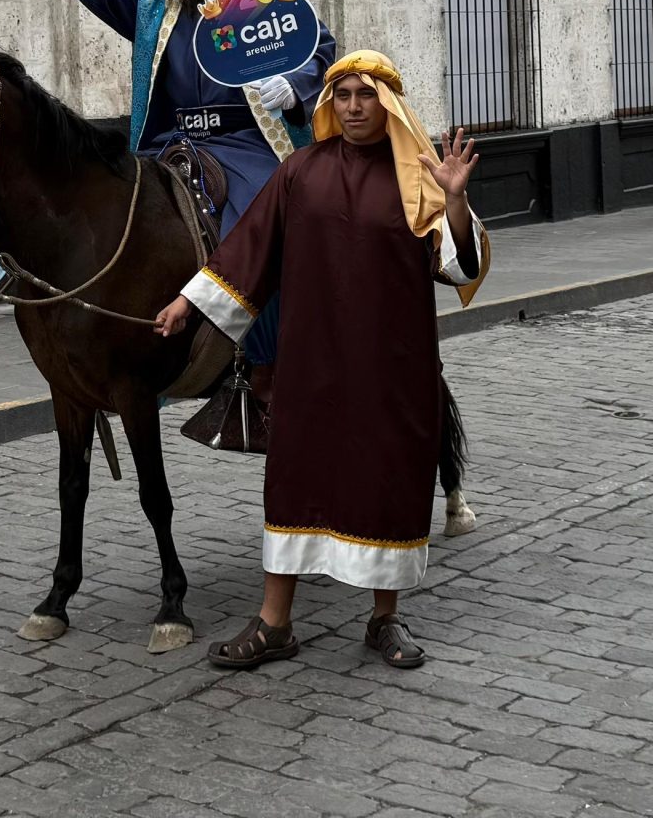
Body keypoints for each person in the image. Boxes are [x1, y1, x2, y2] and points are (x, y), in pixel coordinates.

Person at [152, 51, 489, 671]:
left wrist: (457, 202)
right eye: (344, 96)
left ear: (387, 104)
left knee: (389, 479)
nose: (355, 106)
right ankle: (273, 623)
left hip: (392, 365)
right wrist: (186, 304)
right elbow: (247, 249)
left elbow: (459, 268)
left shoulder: (420, 179)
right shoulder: (299, 172)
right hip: (309, 363)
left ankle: (385, 618)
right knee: (296, 480)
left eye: (367, 95)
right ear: (329, 104)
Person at [22, 0, 333, 369]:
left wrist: (293, 88)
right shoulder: (150, 3)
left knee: (269, 230)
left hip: (246, 139)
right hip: (168, 141)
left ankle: (267, 366)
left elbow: (319, 49)